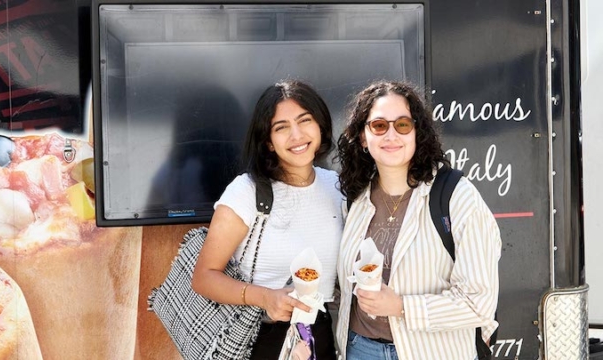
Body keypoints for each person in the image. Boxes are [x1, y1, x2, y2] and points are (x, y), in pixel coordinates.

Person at [334, 80, 501, 360]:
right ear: (363, 137)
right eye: (378, 125)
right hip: (360, 349)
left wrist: (400, 306)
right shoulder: (355, 198)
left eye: (402, 124)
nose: (391, 135)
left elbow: (478, 302)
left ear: (416, 132)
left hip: (435, 352)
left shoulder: (456, 196)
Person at [192, 79, 343, 360]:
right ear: (269, 142)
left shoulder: (338, 187)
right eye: (281, 127)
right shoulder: (246, 191)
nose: (296, 135)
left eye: (305, 120)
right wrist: (266, 297)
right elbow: (204, 278)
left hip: (317, 336)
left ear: (320, 126)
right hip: (258, 338)